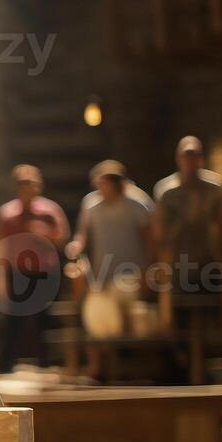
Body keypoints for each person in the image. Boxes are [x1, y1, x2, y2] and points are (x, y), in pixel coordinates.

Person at [155, 137, 222, 382]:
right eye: (186, 156)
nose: (190, 161)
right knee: (178, 320)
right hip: (178, 264)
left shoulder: (214, 188)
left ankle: (206, 371)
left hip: (207, 261)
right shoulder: (167, 191)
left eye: (195, 156)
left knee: (210, 314)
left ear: (201, 158)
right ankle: (181, 371)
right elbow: (159, 231)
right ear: (179, 158)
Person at [68, 161, 154, 377]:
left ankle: (127, 367)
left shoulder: (137, 203)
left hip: (130, 272)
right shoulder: (91, 205)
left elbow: (149, 238)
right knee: (96, 314)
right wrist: (76, 246)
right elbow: (83, 234)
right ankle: (98, 366)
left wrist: (148, 268)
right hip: (101, 272)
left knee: (123, 315)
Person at [0, 164, 71, 373]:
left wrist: (44, 233)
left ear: (38, 186)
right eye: (22, 184)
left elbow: (62, 239)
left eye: (30, 184)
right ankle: (6, 365)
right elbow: (2, 246)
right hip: (17, 273)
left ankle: (49, 364)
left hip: (44, 273)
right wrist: (0, 277)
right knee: (13, 320)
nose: (26, 189)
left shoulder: (50, 211)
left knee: (44, 320)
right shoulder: (8, 213)